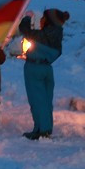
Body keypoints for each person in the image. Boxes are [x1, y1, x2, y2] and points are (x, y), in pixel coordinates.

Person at [17, 8, 69, 140]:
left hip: (34, 68)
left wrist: (27, 17)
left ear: (49, 21)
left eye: (43, 18)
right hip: (47, 69)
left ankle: (41, 130)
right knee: (46, 100)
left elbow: (24, 29)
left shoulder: (41, 35)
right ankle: (46, 128)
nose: (40, 20)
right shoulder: (57, 35)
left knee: (37, 100)